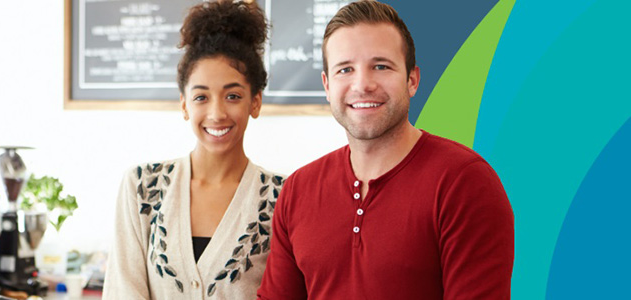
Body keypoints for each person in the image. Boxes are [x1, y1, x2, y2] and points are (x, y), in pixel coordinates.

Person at [257, 1, 514, 299]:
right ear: (327, 85)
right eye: (345, 69)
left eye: (381, 66)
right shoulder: (297, 191)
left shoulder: (463, 183)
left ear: (412, 80)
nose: (362, 84)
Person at [103, 1, 284, 299]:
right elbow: (123, 290)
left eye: (233, 95)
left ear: (255, 102)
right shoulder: (142, 187)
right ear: (184, 105)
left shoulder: (281, 196)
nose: (216, 113)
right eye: (201, 97)